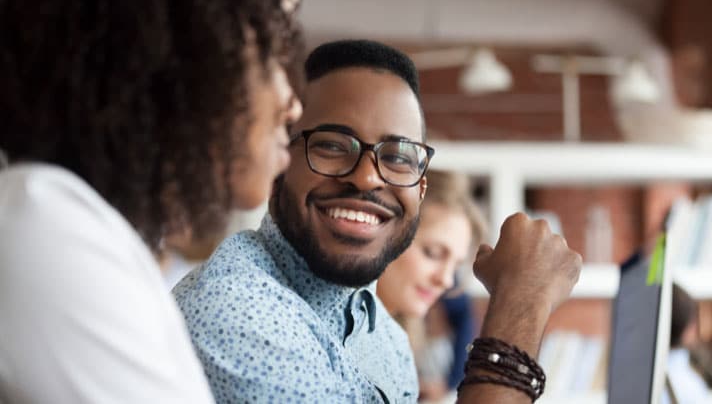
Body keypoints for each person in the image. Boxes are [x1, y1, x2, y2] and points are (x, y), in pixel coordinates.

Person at [174, 39, 582, 404]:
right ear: (281, 161)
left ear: (419, 187)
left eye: (398, 156)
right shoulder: (239, 310)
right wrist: (520, 304)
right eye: (332, 145)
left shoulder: (385, 336)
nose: (367, 177)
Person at [0, 0, 302, 402]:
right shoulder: (46, 225)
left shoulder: (85, 230)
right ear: (183, 62)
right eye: (270, 57)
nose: (293, 103)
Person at [376, 170, 487, 400]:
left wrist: (449, 383)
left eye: (455, 265)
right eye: (433, 253)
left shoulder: (396, 343)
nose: (446, 280)